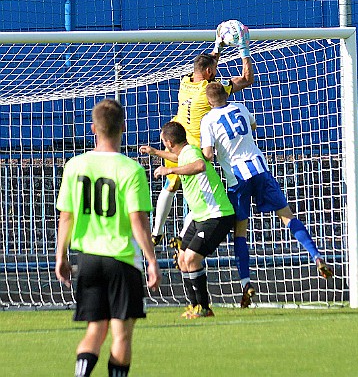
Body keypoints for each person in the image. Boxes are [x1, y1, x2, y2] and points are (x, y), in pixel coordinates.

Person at [201, 82, 333, 308]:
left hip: (237, 178)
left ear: (209, 101)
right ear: (225, 94)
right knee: (287, 216)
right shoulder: (241, 107)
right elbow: (253, 126)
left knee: (240, 232)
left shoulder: (208, 120)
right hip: (260, 168)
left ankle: (246, 283)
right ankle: (315, 255)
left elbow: (209, 154)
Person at [55, 99, 162, 377]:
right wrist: (152, 260)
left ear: (93, 128)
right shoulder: (132, 170)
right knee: (121, 335)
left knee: (95, 329)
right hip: (122, 259)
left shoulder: (75, 165)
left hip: (88, 259)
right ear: (123, 128)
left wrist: (60, 257)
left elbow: (65, 216)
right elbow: (138, 220)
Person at [146, 21, 254, 246]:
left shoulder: (185, 80)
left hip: (175, 140)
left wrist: (218, 44)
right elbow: (246, 80)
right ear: (209, 73)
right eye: (213, 71)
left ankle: (156, 232)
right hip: (195, 148)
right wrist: (243, 50)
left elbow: (206, 64)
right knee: (203, 197)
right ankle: (183, 235)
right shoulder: (210, 90)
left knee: (171, 186)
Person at [142, 121, 235, 318]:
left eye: (162, 143)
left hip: (216, 215)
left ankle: (204, 307)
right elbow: (177, 157)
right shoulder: (184, 153)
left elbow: (200, 165)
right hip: (201, 216)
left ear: (168, 141)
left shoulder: (191, 154)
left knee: (192, 258)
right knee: (182, 259)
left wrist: (170, 170)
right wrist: (156, 152)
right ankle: (194, 306)